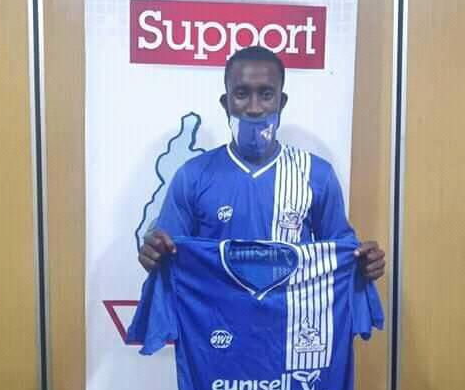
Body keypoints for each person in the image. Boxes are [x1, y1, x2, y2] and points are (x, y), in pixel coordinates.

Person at [138, 45, 385, 279]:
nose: (254, 108)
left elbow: (341, 254)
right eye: (242, 94)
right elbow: (168, 253)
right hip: (215, 311)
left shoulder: (317, 175)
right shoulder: (192, 176)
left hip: (287, 311)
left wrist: (363, 263)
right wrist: (153, 252)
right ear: (226, 103)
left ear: (281, 102)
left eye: (266, 95)